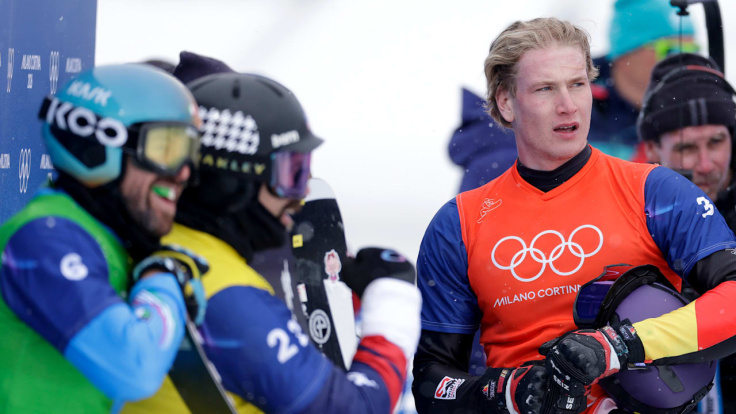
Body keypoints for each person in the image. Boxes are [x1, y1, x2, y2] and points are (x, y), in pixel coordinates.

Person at [413, 17, 736, 414]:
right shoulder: (458, 224)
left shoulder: (655, 191)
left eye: (578, 84)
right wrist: (506, 392)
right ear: (506, 102)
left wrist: (619, 346)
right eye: (545, 88)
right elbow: (431, 382)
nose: (568, 105)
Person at [125, 55, 422, 414]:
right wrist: (391, 309)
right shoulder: (226, 296)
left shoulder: (165, 244)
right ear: (234, 182)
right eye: (290, 175)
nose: (301, 195)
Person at [0, 64, 204, 412]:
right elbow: (135, 368)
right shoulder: (44, 238)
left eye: (191, 151)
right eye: (166, 149)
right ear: (100, 143)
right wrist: (163, 281)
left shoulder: (105, 239)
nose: (184, 172)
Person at [449, 0, 698, 194]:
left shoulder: (695, 122)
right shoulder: (516, 140)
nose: (684, 63)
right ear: (626, 54)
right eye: (671, 49)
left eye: (693, 51)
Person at [638, 52, 736, 413]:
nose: (706, 164)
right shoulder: (631, 211)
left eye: (716, 142)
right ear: (653, 149)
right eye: (686, 148)